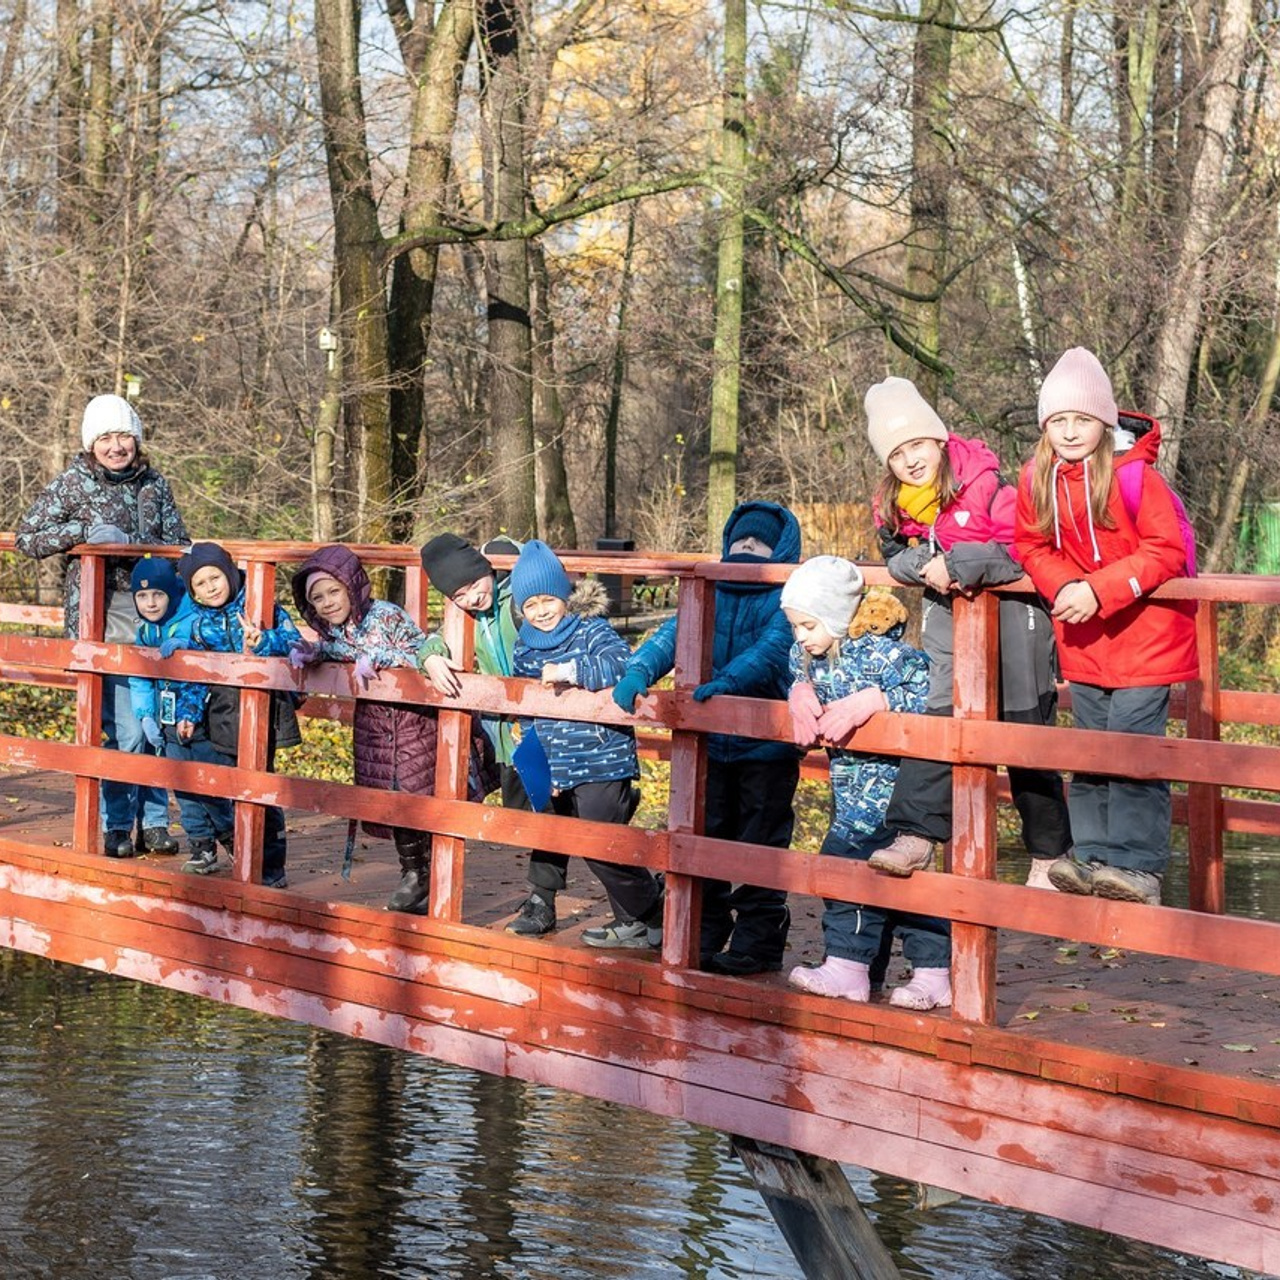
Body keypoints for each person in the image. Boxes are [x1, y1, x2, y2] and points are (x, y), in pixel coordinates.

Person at [863, 377, 1072, 889]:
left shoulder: (988, 485)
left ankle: (1051, 856)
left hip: (1017, 625)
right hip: (950, 631)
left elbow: (1023, 548)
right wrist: (924, 562)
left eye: (917, 445)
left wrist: (957, 562)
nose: (910, 460)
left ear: (938, 440)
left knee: (1025, 740)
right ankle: (915, 837)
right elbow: (895, 560)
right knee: (939, 725)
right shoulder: (894, 507)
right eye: (897, 454)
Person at [1015, 348, 1198, 905]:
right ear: (1046, 426)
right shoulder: (1036, 477)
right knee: (1092, 750)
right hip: (1086, 642)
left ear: (1105, 422)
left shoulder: (1135, 476)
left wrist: (1097, 589)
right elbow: (1029, 544)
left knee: (1133, 751)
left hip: (1147, 639)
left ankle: (1137, 866)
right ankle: (1092, 855)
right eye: (1059, 421)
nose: (1071, 431)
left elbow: (1167, 550)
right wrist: (1066, 584)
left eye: (1082, 420)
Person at [612, 502, 804, 976]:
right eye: (739, 544)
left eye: (756, 545)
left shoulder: (786, 597)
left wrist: (729, 681)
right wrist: (638, 669)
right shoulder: (709, 587)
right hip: (711, 744)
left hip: (767, 746)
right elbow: (674, 634)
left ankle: (759, 942)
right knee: (705, 836)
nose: (745, 552)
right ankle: (705, 930)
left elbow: (775, 649)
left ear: (777, 551)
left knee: (761, 845)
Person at [16, 394, 187, 858]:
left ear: (136, 439)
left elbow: (180, 544)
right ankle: (117, 826)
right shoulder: (74, 483)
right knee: (128, 731)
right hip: (103, 614)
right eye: (106, 438)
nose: (116, 446)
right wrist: (80, 536)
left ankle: (153, 823)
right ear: (93, 444)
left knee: (158, 726)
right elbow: (26, 537)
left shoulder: (156, 484)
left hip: (156, 617)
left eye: (124, 436)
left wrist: (137, 545)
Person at [290, 545, 495, 914]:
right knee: (391, 801)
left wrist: (379, 659)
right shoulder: (336, 630)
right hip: (376, 727)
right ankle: (414, 875)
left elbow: (422, 652)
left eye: (333, 592)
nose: (327, 603)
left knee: (420, 797)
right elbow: (339, 648)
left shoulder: (385, 616)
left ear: (350, 587)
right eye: (317, 598)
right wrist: (313, 653)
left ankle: (435, 875)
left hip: (414, 724)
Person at [781, 557, 948, 1008]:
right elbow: (794, 666)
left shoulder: (884, 654)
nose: (801, 636)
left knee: (890, 881)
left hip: (896, 794)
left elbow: (934, 690)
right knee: (854, 873)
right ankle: (858, 967)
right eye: (795, 626)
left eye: (808, 625)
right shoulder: (813, 654)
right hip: (851, 795)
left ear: (835, 617)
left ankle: (924, 971)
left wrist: (876, 699)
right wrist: (798, 691)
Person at [509, 540, 662, 949]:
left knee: (601, 844)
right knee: (574, 838)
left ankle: (657, 909)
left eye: (548, 600)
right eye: (530, 605)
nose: (541, 611)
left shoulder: (590, 629)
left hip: (602, 757)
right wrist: (543, 768)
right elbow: (528, 709)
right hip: (558, 763)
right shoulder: (524, 647)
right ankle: (637, 919)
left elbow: (621, 665)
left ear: (564, 596)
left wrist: (573, 670)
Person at [418, 533, 568, 937]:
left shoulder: (517, 602)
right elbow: (433, 639)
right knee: (532, 817)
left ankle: (543, 901)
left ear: (486, 570)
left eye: (474, 586)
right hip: (509, 738)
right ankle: (640, 891)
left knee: (556, 819)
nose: (471, 598)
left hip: (548, 729)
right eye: (459, 594)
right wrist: (430, 655)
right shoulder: (463, 617)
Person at [168, 542, 300, 886]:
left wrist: (263, 641)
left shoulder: (261, 606)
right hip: (223, 712)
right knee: (230, 784)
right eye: (200, 583)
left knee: (260, 786)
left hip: (264, 708)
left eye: (215, 577)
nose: (210, 587)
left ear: (228, 573)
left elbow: (295, 644)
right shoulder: (197, 625)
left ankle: (271, 868)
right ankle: (242, 854)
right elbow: (195, 679)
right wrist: (188, 713)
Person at [128, 557, 235, 865]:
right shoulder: (146, 631)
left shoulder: (194, 618)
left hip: (201, 718)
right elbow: (140, 675)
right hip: (168, 719)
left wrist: (187, 646)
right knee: (182, 786)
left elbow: (210, 646)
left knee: (208, 783)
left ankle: (230, 835)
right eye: (142, 597)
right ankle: (201, 846)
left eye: (158, 595)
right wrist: (146, 715)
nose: (150, 603)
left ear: (173, 593)